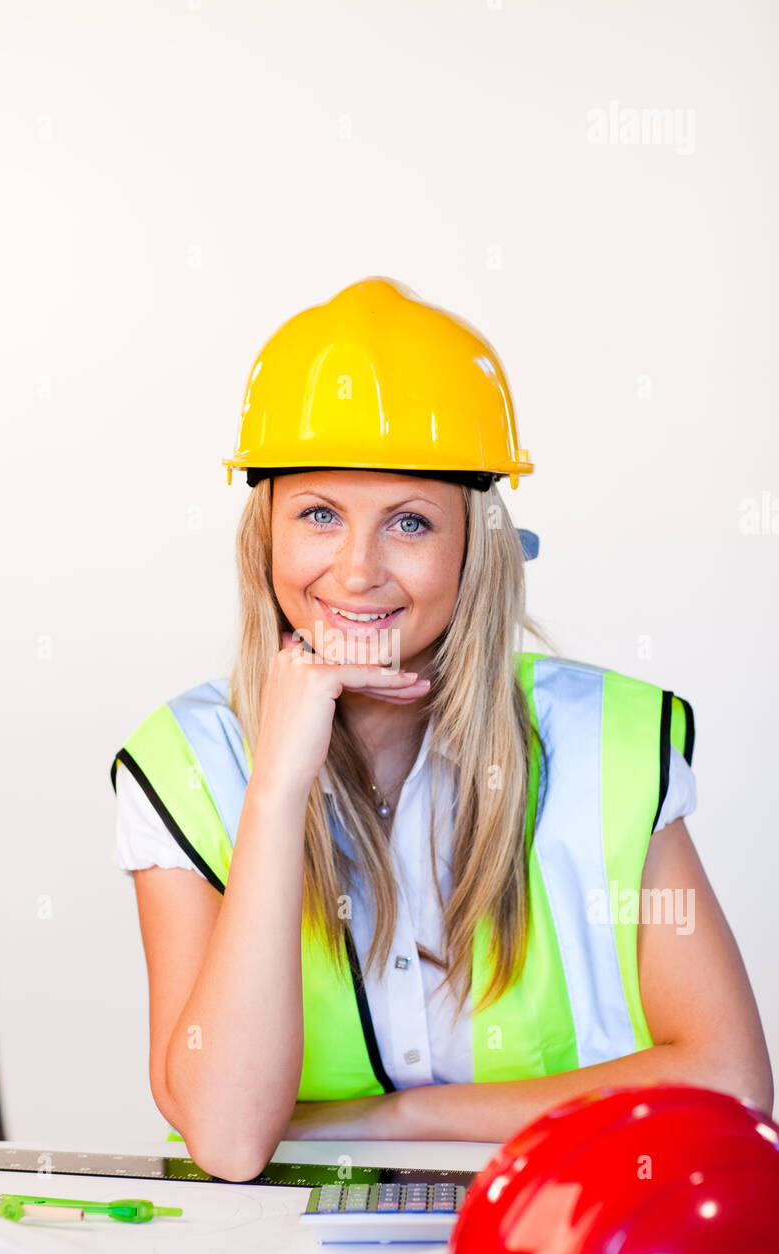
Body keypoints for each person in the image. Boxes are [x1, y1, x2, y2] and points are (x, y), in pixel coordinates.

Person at [110, 278, 773, 1182]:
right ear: (264, 532)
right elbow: (227, 1140)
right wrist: (276, 788)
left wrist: (396, 1121)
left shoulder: (601, 741)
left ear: (477, 544)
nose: (356, 571)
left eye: (410, 522)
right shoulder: (184, 764)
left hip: (567, 1248)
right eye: (318, 515)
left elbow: (728, 1087)